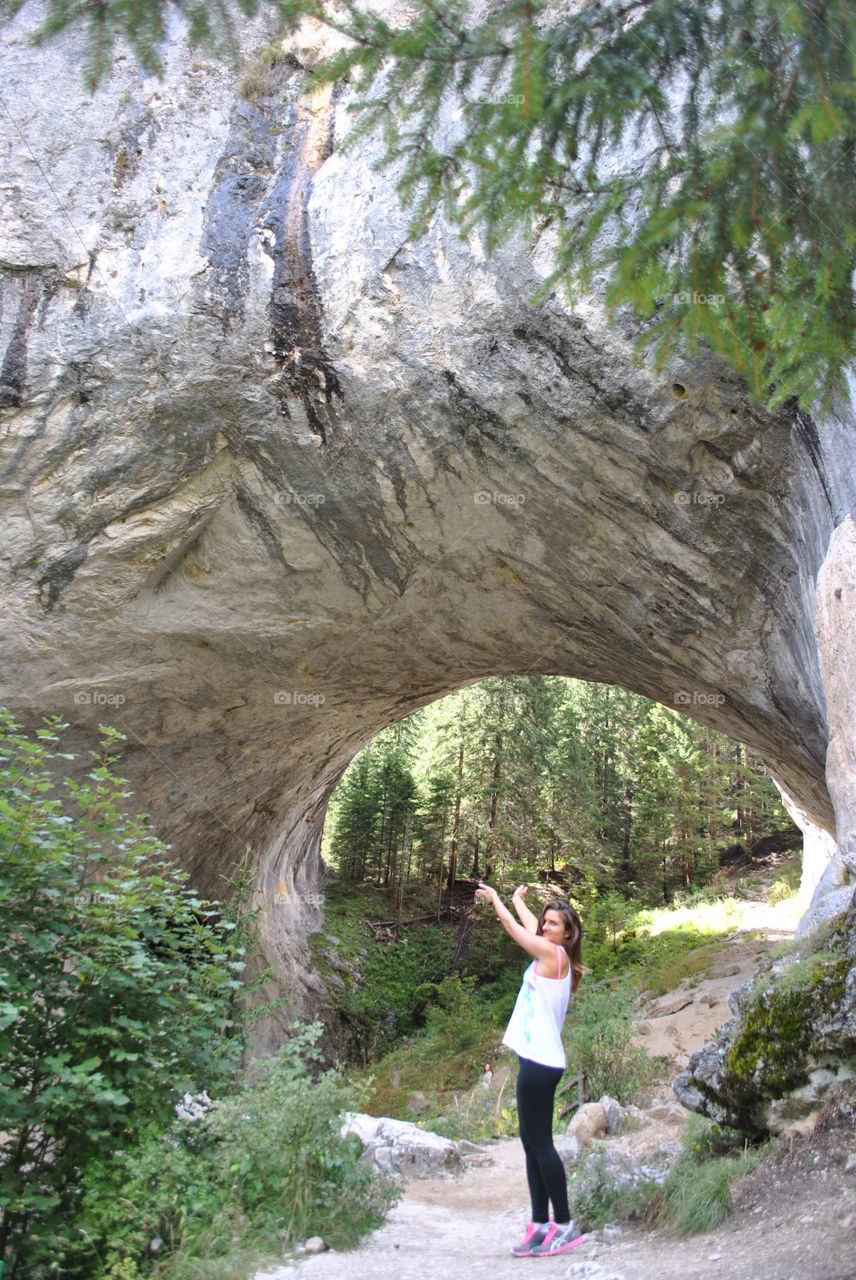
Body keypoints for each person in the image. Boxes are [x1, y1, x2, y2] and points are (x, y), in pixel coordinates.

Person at [475, 880, 584, 1258]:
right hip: (536, 1059)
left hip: (541, 1063)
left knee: (541, 1144)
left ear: (567, 934)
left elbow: (516, 931)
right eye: (546, 922)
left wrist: (495, 901)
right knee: (530, 1144)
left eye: (554, 924)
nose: (547, 927)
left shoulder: (554, 956)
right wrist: (518, 900)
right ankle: (540, 1224)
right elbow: (531, 927)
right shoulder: (552, 952)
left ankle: (565, 1225)